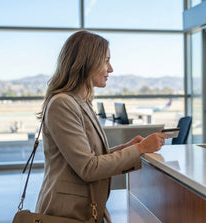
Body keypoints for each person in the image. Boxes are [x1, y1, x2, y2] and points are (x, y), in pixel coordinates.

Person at [35, 30, 169, 223]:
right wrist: (140, 149)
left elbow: (91, 157)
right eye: (106, 61)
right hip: (66, 214)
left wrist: (128, 148)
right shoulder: (62, 104)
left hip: (88, 210)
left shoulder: (81, 102)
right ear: (87, 62)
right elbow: (88, 168)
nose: (111, 69)